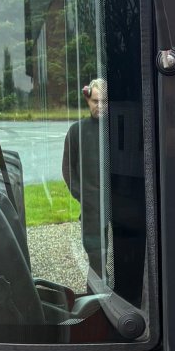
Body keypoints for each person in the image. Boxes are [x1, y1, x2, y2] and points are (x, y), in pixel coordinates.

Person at [61, 78, 109, 276]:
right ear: (88, 101)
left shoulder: (118, 128)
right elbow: (67, 169)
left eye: (104, 101)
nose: (99, 106)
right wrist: (83, 196)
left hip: (119, 204)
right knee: (96, 257)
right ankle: (96, 299)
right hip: (91, 207)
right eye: (95, 101)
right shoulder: (76, 131)